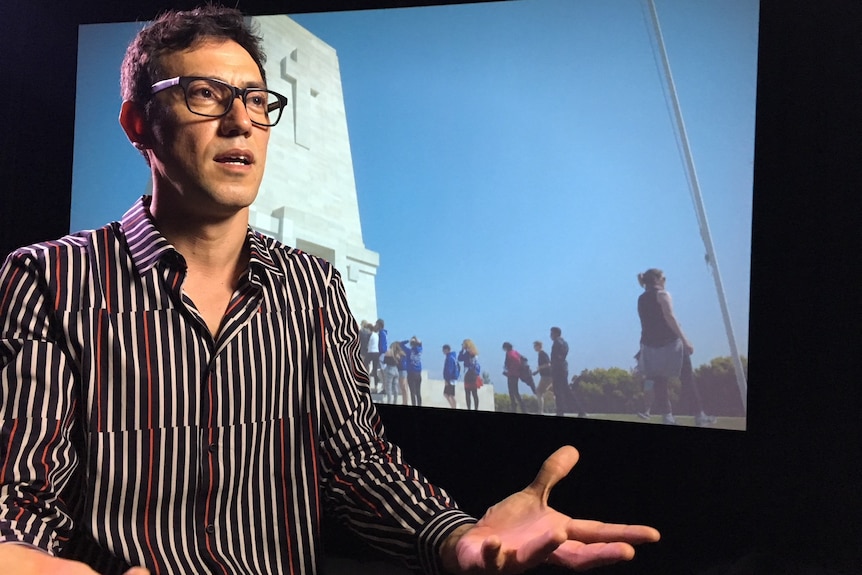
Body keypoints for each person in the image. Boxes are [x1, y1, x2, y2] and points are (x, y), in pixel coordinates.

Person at [0, 7, 659, 574]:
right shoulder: (49, 281)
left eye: (257, 99)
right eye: (205, 93)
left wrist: (460, 537)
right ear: (138, 124)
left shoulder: (313, 287)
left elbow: (355, 461)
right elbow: (19, 499)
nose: (241, 121)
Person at [636, 268, 693, 425]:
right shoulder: (659, 296)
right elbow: (666, 318)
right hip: (661, 347)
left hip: (650, 348)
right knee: (651, 383)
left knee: (653, 383)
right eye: (664, 278)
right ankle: (647, 409)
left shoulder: (642, 299)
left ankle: (649, 410)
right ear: (658, 279)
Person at [550, 327, 587, 417]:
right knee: (566, 391)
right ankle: (580, 410)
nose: (550, 335)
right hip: (563, 369)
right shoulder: (565, 343)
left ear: (555, 334)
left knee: (558, 391)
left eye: (551, 333)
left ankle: (560, 411)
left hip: (558, 370)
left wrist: (553, 368)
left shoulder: (556, 343)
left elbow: (556, 358)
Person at [502, 342, 529, 414]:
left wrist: (505, 372)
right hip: (517, 374)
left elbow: (506, 364)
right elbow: (523, 359)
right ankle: (523, 408)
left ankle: (514, 408)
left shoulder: (508, 354)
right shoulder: (516, 352)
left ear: (506, 348)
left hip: (511, 375)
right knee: (516, 391)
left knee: (511, 392)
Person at [458, 339, 482, 410]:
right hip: (474, 374)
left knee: (467, 392)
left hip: (468, 373)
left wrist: (462, 350)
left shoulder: (468, 353)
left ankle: (469, 408)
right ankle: (476, 408)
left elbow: (460, 358)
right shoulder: (475, 352)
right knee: (475, 393)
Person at [401, 337, 424, 406]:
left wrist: (408, 339)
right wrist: (417, 340)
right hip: (418, 373)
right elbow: (420, 344)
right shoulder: (420, 350)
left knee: (412, 392)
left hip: (411, 373)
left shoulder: (408, 351)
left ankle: (414, 405)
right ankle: (420, 405)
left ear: (411, 344)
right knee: (418, 392)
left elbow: (401, 344)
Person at [533, 340, 554, 414]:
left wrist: (539, 367)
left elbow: (548, 364)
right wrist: (537, 371)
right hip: (547, 376)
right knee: (548, 391)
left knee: (539, 392)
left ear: (539, 346)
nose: (534, 348)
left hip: (546, 376)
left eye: (535, 346)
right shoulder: (541, 354)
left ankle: (540, 411)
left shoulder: (542, 354)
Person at [381, 340, 404, 405]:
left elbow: (384, 361)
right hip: (396, 370)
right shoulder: (398, 354)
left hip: (389, 369)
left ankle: (389, 401)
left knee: (389, 387)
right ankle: (395, 401)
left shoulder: (388, 352)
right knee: (395, 386)